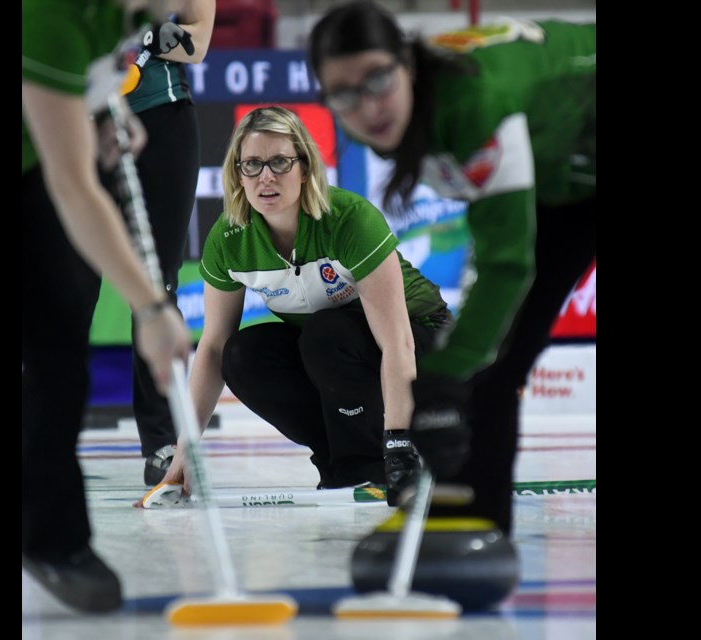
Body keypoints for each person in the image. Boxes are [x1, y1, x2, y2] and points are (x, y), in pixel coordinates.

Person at [309, 1, 596, 610]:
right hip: (568, 176)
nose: (367, 106)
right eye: (344, 94)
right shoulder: (405, 115)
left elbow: (509, 264)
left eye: (378, 80)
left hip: (576, 158)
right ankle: (472, 527)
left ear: (408, 63)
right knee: (490, 366)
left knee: (471, 360)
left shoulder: (470, 103)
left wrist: (443, 373)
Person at [158, 105, 452, 505]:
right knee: (242, 354)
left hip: (423, 345)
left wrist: (399, 444)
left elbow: (398, 341)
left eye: (280, 161)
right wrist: (185, 449)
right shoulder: (229, 241)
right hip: (335, 352)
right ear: (237, 174)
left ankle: (368, 461)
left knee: (326, 334)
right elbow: (210, 348)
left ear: (305, 168)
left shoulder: (348, 219)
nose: (266, 176)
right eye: (253, 165)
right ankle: (339, 460)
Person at [22, 0, 194, 613]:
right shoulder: (49, 16)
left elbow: (84, 94)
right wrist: (149, 309)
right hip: (42, 169)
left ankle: (52, 541)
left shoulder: (115, 16)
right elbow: (73, 184)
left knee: (57, 346)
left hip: (33, 159)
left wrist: (107, 111)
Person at [101, 0, 216, 488]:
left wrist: (145, 38)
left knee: (157, 283)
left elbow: (198, 43)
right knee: (65, 283)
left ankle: (161, 442)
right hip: (78, 116)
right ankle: (45, 439)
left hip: (163, 117)